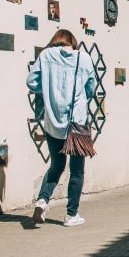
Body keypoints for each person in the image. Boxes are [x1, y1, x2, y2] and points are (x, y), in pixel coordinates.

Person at [26, 29, 95, 227]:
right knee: (77, 171)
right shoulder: (84, 58)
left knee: (56, 165)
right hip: (77, 123)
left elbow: (31, 83)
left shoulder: (45, 55)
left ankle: (42, 200)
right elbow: (90, 88)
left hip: (52, 122)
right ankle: (71, 215)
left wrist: (48, 90)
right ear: (72, 42)